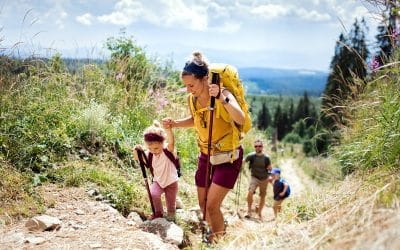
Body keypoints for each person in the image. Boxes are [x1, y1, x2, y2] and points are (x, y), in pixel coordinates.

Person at [162, 51, 245, 242]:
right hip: (206, 155)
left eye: (191, 84)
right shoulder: (192, 99)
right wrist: (175, 123)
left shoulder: (223, 93)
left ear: (205, 78)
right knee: (203, 203)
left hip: (227, 156)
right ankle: (214, 235)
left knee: (212, 206)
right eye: (186, 85)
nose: (189, 89)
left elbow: (239, 118)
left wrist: (223, 100)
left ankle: (218, 241)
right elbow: (196, 119)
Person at [133, 120, 179, 221]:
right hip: (158, 181)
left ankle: (172, 214)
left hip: (171, 182)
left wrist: (169, 130)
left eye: (156, 148)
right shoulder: (149, 154)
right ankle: (159, 213)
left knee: (170, 203)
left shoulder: (168, 151)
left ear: (163, 143)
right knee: (154, 194)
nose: (154, 151)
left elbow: (171, 142)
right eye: (150, 148)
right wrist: (136, 151)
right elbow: (137, 158)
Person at [243, 139, 272, 220]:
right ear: (254, 147)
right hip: (254, 177)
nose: (258, 148)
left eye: (259, 146)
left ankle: (259, 213)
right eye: (256, 146)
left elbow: (270, 168)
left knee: (262, 196)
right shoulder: (251, 156)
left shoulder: (266, 158)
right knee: (250, 192)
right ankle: (248, 211)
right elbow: (243, 161)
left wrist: (269, 176)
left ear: (262, 147)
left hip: (264, 179)